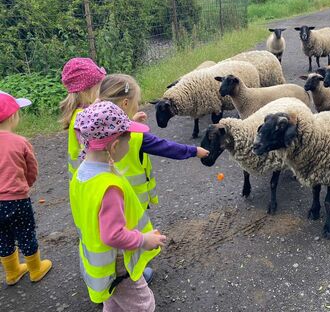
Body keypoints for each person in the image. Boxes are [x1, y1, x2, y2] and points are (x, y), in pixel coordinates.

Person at [70, 101, 165, 311]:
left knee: (113, 301)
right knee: (143, 305)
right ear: (114, 146)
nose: (130, 143)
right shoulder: (109, 187)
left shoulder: (81, 174)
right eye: (128, 139)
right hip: (118, 264)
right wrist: (144, 239)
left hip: (98, 261)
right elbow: (112, 235)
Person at [98, 74, 209, 209]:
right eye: (136, 103)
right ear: (125, 103)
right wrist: (194, 151)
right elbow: (164, 147)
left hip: (107, 200)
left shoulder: (94, 129)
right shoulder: (135, 136)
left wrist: (130, 121)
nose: (137, 106)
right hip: (132, 200)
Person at [0, 92, 52, 286]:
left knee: (3, 237)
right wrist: (26, 185)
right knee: (25, 233)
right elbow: (31, 169)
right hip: (17, 199)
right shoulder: (20, 142)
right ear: (13, 116)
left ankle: (12, 273)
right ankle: (35, 269)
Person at [59, 57, 106, 176]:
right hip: (91, 180)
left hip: (81, 180)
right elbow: (96, 147)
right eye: (100, 86)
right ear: (85, 91)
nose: (103, 91)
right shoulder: (84, 117)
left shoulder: (78, 113)